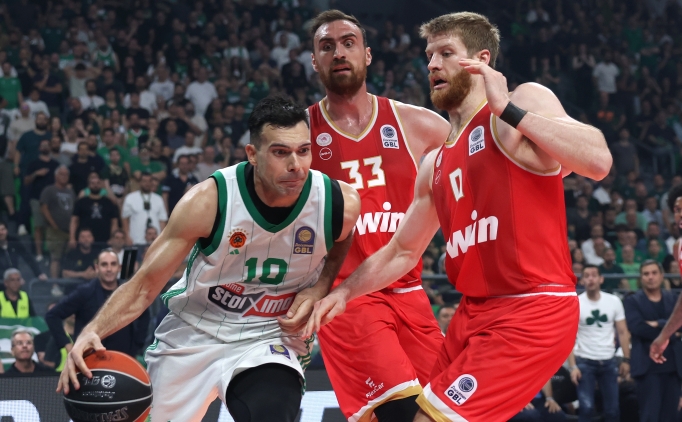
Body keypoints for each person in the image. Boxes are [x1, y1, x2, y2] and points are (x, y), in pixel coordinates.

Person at [305, 11, 611, 422]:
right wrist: (342, 294)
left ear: (481, 60)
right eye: (429, 56)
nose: (432, 64)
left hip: (531, 309)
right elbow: (401, 252)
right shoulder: (435, 161)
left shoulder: (521, 104)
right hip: (473, 316)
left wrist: (508, 109)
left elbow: (597, 161)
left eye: (446, 53)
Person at [57, 96, 361, 422]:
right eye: (280, 152)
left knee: (272, 412)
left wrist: (320, 286)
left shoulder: (338, 203)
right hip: (195, 331)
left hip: (269, 334)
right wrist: (94, 330)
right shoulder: (208, 201)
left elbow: (342, 239)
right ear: (252, 154)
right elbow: (144, 285)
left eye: (303, 151)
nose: (296, 165)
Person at [307, 11, 451, 421]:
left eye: (348, 43)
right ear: (315, 62)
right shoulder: (299, 135)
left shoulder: (418, 124)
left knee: (446, 411)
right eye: (327, 46)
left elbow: (481, 163)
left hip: (409, 292)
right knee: (402, 413)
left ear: (367, 55)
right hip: (346, 296)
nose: (339, 52)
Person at [46, 249, 149, 358]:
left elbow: (144, 315)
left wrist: (137, 345)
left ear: (119, 268)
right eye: (104, 264)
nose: (109, 269)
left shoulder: (129, 292)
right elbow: (52, 315)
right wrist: (68, 345)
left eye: (113, 264)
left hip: (124, 358)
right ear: (97, 268)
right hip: (90, 359)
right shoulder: (85, 292)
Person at [567, 265, 630, 422]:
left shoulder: (614, 301)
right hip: (584, 360)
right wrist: (573, 366)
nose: (590, 279)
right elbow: (568, 337)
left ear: (601, 279)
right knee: (586, 408)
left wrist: (626, 359)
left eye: (594, 275)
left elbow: (623, 332)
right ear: (582, 280)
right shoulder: (576, 302)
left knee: (612, 410)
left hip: (608, 360)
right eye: (587, 275)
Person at [627, 260, 682, 422]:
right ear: (641, 278)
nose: (650, 277)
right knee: (649, 416)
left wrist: (657, 324)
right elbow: (637, 327)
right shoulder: (632, 300)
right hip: (647, 367)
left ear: (662, 275)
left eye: (654, 273)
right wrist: (671, 332)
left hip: (673, 367)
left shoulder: (674, 298)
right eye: (646, 274)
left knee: (672, 417)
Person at [24, 138, 60, 261]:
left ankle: (51, 254)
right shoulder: (33, 164)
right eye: (42, 145)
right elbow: (26, 181)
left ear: (50, 147)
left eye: (47, 145)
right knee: (38, 226)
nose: (45, 147)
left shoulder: (55, 164)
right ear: (39, 148)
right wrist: (36, 174)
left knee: (52, 227)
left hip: (53, 200)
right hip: (37, 199)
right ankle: (39, 254)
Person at [40, 165, 75, 278]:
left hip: (69, 231)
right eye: (61, 174)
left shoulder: (71, 192)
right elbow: (44, 208)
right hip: (54, 231)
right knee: (55, 258)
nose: (64, 176)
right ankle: (54, 283)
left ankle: (66, 282)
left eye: (66, 174)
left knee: (69, 258)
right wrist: (53, 225)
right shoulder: (49, 190)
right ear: (56, 176)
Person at [69, 172, 119, 248]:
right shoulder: (81, 202)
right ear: (88, 185)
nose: (95, 185)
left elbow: (114, 222)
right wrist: (72, 238)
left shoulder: (108, 202)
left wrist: (113, 238)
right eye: (92, 183)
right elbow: (74, 221)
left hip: (105, 241)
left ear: (101, 185)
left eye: (98, 183)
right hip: (85, 241)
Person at [121, 172, 167, 245]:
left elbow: (162, 220)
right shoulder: (130, 198)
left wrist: (162, 238)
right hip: (135, 239)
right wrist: (127, 236)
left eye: (149, 181)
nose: (147, 183)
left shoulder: (158, 199)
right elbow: (125, 219)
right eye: (144, 181)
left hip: (155, 241)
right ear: (139, 182)